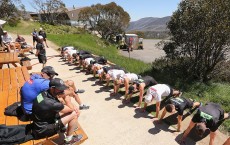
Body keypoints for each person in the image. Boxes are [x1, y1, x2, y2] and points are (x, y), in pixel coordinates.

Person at [32, 78, 83, 144]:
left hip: (39, 121)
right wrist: (67, 98)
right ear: (52, 88)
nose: (62, 91)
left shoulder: (44, 93)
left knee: (69, 109)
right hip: (44, 129)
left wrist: (64, 95)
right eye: (60, 89)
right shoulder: (51, 103)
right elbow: (71, 109)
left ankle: (64, 127)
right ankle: (68, 140)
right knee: (75, 113)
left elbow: (57, 103)